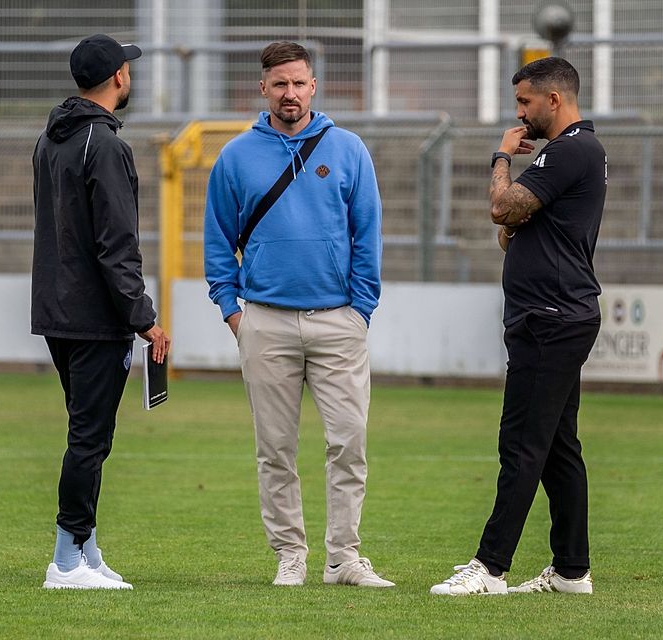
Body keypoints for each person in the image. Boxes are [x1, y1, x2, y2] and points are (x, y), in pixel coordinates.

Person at [204, 41, 392, 588]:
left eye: (300, 83)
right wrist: (230, 310)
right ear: (263, 88)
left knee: (349, 443)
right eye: (280, 83)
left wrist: (360, 310)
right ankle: (291, 554)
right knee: (275, 449)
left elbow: (368, 235)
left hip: (339, 322)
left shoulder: (349, 148)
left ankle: (343, 559)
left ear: (314, 86)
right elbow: (217, 240)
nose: (291, 93)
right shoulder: (236, 156)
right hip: (264, 321)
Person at [430, 57, 606, 596]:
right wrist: (514, 217)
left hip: (551, 316)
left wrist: (501, 157)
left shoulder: (571, 149)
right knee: (556, 446)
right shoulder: (570, 151)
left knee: (522, 443)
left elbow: (502, 210)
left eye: (525, 102)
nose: (519, 114)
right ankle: (572, 570)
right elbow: (513, 231)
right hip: (551, 313)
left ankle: (490, 567)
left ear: (554, 99)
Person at [32, 33, 171, 590]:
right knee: (90, 438)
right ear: (117, 77)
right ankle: (66, 560)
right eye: (128, 68)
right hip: (95, 318)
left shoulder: (51, 138)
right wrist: (144, 316)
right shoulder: (104, 145)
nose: (130, 76)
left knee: (88, 434)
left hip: (57, 310)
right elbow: (117, 245)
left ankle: (86, 549)